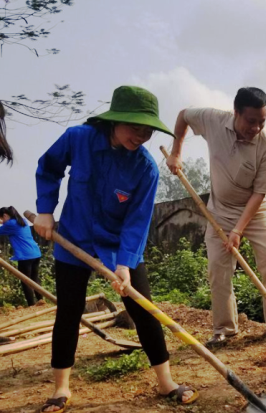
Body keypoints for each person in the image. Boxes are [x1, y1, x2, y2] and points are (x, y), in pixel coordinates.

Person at [33, 86, 199, 412]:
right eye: (135, 128)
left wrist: (124, 264)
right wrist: (45, 210)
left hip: (118, 245)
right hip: (74, 240)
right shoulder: (78, 139)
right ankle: (61, 389)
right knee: (69, 312)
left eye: (148, 131)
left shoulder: (145, 169)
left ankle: (166, 382)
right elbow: (49, 167)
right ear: (115, 120)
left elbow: (137, 221)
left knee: (143, 310)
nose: (141, 137)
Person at [166, 87, 266, 348]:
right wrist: (176, 152)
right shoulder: (213, 119)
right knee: (218, 269)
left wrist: (238, 230)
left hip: (256, 212)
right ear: (236, 113)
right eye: (251, 121)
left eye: (262, 122)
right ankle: (224, 329)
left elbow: (260, 193)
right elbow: (183, 115)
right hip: (220, 211)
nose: (256, 128)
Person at [0, 206, 43, 306]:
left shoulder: (10, 224)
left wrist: (3, 223)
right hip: (35, 253)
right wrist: (3, 222)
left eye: (1, 218)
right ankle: (41, 301)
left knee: (25, 281)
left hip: (25, 256)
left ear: (5, 215)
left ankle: (31, 305)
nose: (2, 221)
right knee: (34, 278)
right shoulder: (22, 221)